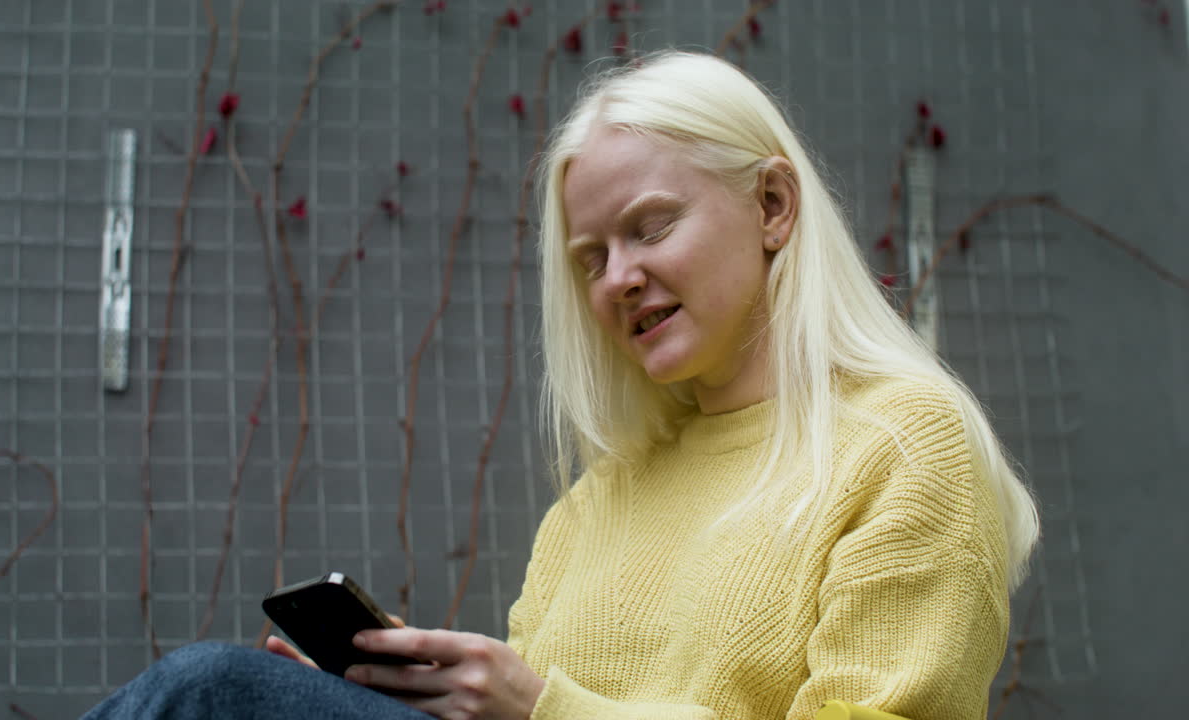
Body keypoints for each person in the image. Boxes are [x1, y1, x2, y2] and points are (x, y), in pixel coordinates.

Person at [81, 49, 1039, 720]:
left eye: (651, 226)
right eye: (591, 256)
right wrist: (386, 694)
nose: (617, 276)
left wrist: (542, 708)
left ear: (774, 207)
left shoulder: (905, 446)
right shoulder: (598, 503)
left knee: (209, 694)